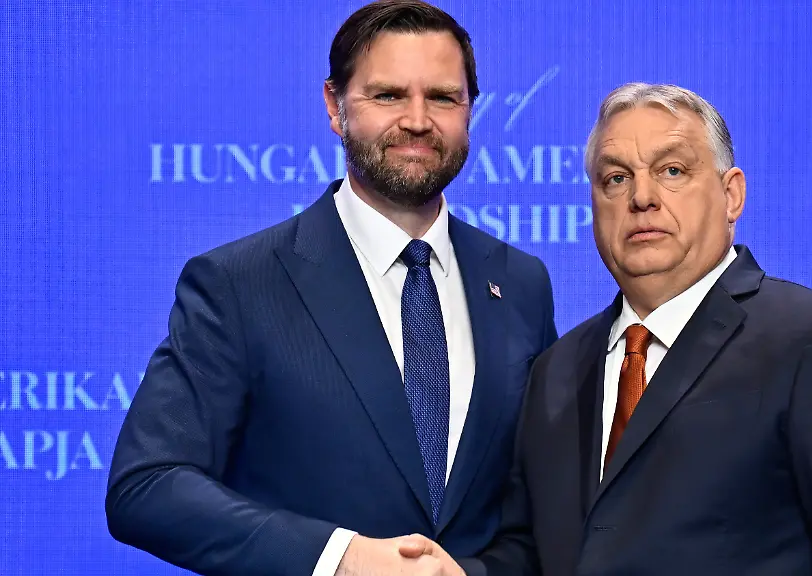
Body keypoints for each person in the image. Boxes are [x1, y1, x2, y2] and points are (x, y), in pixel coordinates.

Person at [105, 1, 557, 575]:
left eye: (443, 97)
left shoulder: (521, 283)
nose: (417, 120)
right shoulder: (239, 283)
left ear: (470, 111)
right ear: (335, 107)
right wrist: (340, 558)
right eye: (388, 95)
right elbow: (148, 485)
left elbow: (536, 510)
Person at [407, 82, 812, 575]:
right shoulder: (558, 368)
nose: (642, 198)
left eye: (673, 171)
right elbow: (532, 553)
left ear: (732, 195)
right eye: (616, 178)